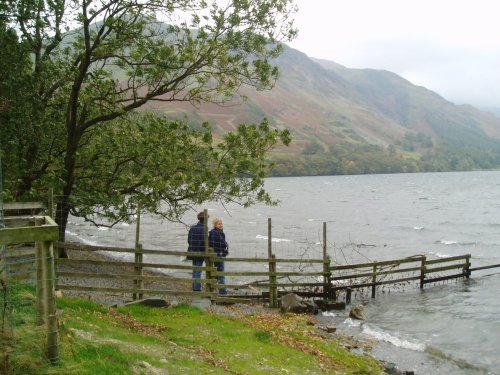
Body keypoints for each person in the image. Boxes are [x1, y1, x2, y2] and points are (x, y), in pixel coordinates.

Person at [208, 217, 229, 295]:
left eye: (221, 223)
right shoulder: (215, 233)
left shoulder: (218, 232)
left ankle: (216, 289)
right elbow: (219, 243)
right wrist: (225, 246)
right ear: (215, 225)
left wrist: (225, 245)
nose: (221, 225)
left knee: (217, 272)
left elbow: (224, 242)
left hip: (218, 254)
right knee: (221, 273)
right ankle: (223, 292)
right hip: (218, 255)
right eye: (219, 224)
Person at [187, 212, 207, 292]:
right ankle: (197, 288)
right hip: (200, 252)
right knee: (198, 270)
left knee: (194, 269)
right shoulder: (204, 229)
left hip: (192, 251)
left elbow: (188, 240)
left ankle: (194, 286)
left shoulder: (192, 228)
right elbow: (204, 242)